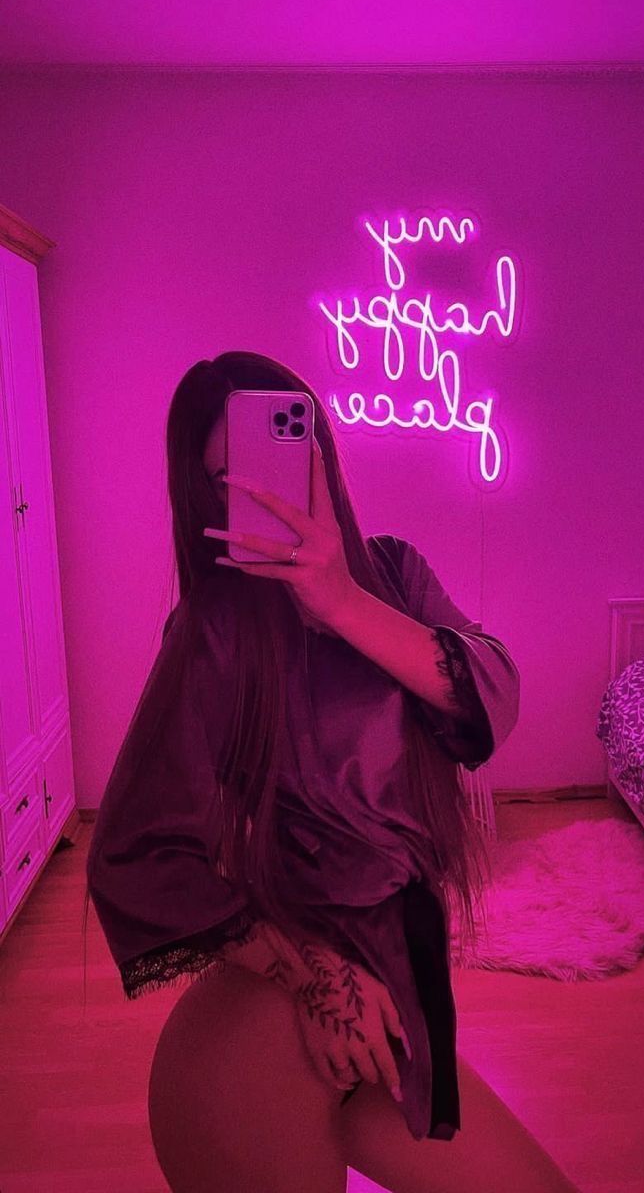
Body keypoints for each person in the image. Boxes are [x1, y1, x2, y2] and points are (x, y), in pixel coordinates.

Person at [84, 351, 582, 1192]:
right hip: (267, 1047)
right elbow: (134, 853)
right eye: (230, 482)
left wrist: (339, 600)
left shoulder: (393, 574)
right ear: (207, 500)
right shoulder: (215, 629)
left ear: (319, 455)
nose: (263, 495)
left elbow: (490, 695)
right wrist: (314, 974)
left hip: (396, 1009)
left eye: (279, 461)